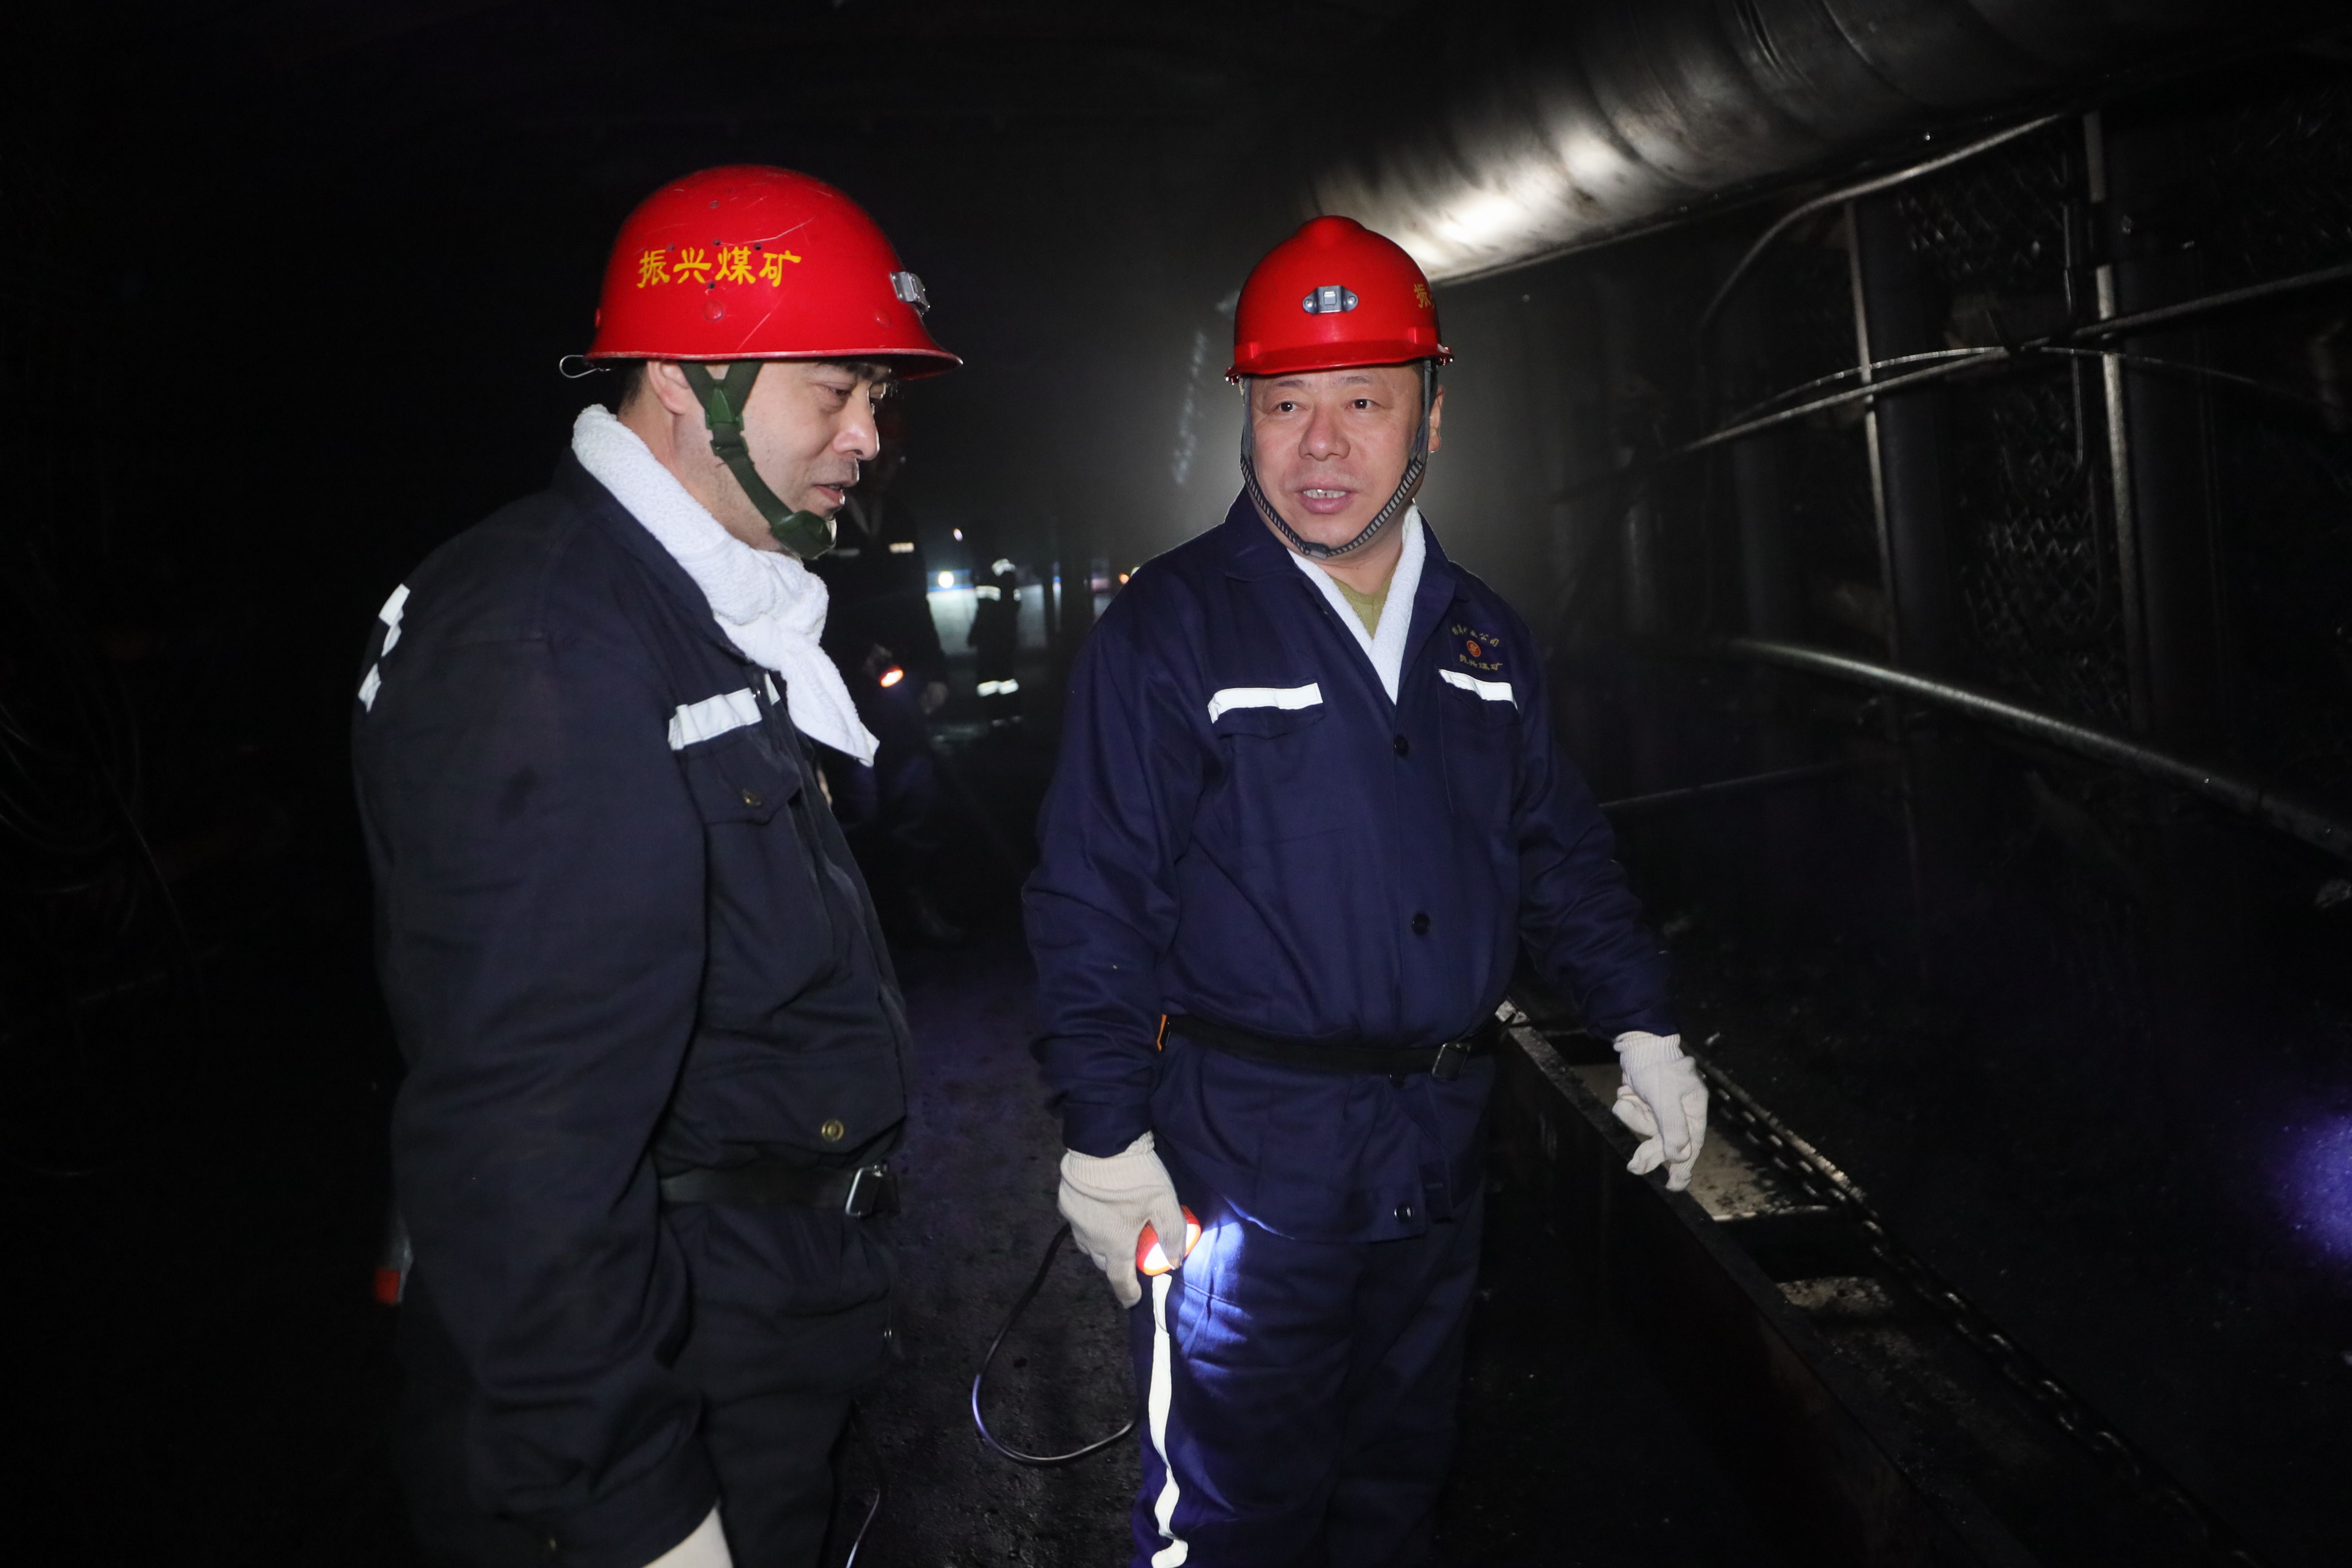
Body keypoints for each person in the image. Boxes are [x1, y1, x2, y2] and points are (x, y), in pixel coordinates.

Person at [1023, 214, 1708, 1567]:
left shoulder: (1480, 636)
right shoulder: (1173, 625)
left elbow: (1553, 848)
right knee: (1233, 1511)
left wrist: (1640, 1021)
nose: (1319, 444)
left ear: (1430, 416)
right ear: (1245, 419)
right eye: (1285, 404)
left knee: (1394, 1489)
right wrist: (1105, 1135)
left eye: (1361, 402)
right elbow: (1094, 890)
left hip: (1435, 1144)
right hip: (1242, 1152)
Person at [353, 165, 956, 1568]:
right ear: (686, 376)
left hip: (751, 1327)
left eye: (878, 392)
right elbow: (521, 1134)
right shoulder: (547, 640)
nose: (869, 433)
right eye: (836, 389)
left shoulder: (690, 610)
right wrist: (634, 1508)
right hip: (669, 1369)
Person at [809, 404, 964, 943]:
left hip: (903, 690)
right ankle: (860, 928)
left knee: (917, 802)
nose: (888, 464)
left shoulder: (900, 517)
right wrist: (856, 650)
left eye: (898, 455)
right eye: (882, 453)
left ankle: (919, 907)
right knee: (859, 807)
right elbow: (814, 602)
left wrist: (936, 670)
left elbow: (917, 601)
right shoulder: (819, 515)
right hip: (846, 694)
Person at [967, 545, 1022, 724]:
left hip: (995, 635)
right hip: (998, 635)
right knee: (1000, 678)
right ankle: (1006, 718)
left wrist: (979, 631)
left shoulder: (996, 567)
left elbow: (990, 607)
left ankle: (1000, 719)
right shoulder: (992, 567)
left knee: (994, 678)